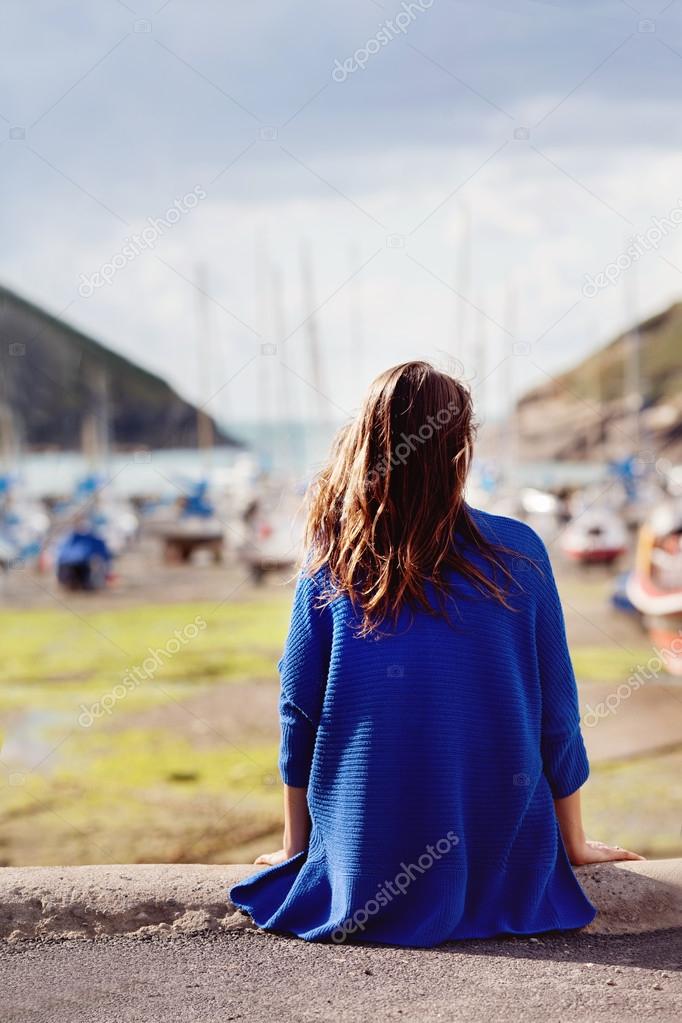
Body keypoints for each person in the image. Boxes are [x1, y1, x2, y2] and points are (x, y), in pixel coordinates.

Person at [230, 361, 642, 947]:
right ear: (461, 449)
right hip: (500, 856)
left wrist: (299, 848)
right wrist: (574, 842)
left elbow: (299, 711)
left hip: (360, 864)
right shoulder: (519, 551)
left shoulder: (334, 559)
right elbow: (558, 710)